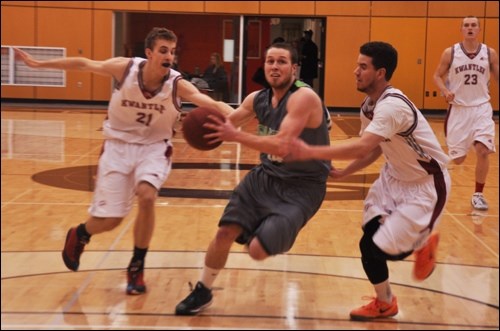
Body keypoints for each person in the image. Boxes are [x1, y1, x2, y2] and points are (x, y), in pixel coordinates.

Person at [14, 27, 234, 295]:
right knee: (111, 220)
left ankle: (136, 266)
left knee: (147, 195)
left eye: (173, 52)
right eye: (164, 51)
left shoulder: (176, 83)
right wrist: (39, 63)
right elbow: (84, 63)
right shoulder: (125, 69)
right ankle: (81, 233)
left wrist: (238, 120)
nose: (169, 57)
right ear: (149, 52)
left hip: (154, 147)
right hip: (117, 146)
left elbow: (208, 102)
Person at [285, 41, 451, 320]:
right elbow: (374, 148)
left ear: (380, 73)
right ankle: (385, 301)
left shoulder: (393, 107)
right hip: (393, 178)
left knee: (378, 249)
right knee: (368, 238)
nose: (355, 72)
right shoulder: (369, 106)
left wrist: (310, 150)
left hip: (426, 186)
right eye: (357, 65)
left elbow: (363, 146)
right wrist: (344, 172)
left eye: (363, 67)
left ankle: (421, 242)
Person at [174, 42, 331, 315]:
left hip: (302, 187)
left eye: (281, 62)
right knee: (224, 232)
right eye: (270, 61)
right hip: (265, 177)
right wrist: (195, 126)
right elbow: (228, 124)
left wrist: (236, 136)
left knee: (257, 250)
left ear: (294, 68)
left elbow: (282, 144)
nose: (274, 66)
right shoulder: (256, 99)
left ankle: (260, 230)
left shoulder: (304, 98)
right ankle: (203, 289)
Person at [433, 16, 499, 211]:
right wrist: (445, 91)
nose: (470, 28)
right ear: (461, 29)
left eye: (473, 25)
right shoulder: (451, 53)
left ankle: (478, 194)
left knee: (483, 151)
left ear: (479, 29)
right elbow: (436, 75)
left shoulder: (490, 53)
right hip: (459, 110)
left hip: (481, 108)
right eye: (467, 25)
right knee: (459, 159)